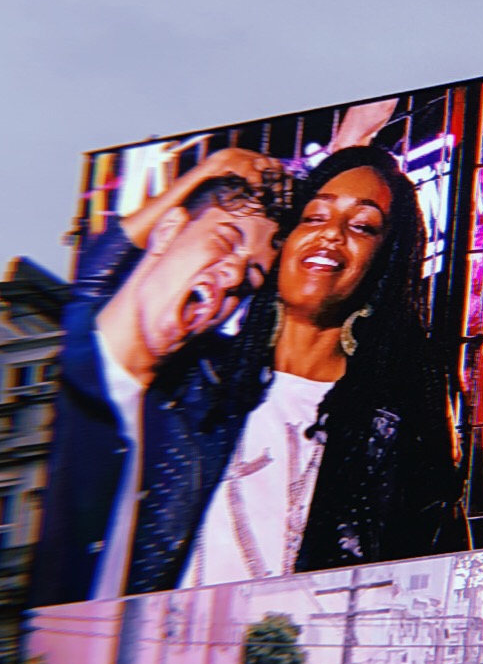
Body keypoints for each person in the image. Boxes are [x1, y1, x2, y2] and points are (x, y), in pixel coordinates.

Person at [194, 135, 461, 581]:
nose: (332, 233)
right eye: (315, 216)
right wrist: (212, 167)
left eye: (363, 226)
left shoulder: (387, 430)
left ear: (384, 264)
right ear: (284, 240)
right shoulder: (199, 379)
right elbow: (93, 318)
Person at [28, 151, 285, 603]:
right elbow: (93, 274)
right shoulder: (67, 367)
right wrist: (209, 169)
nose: (232, 277)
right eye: (225, 241)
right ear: (167, 231)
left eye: (250, 278)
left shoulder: (195, 424)